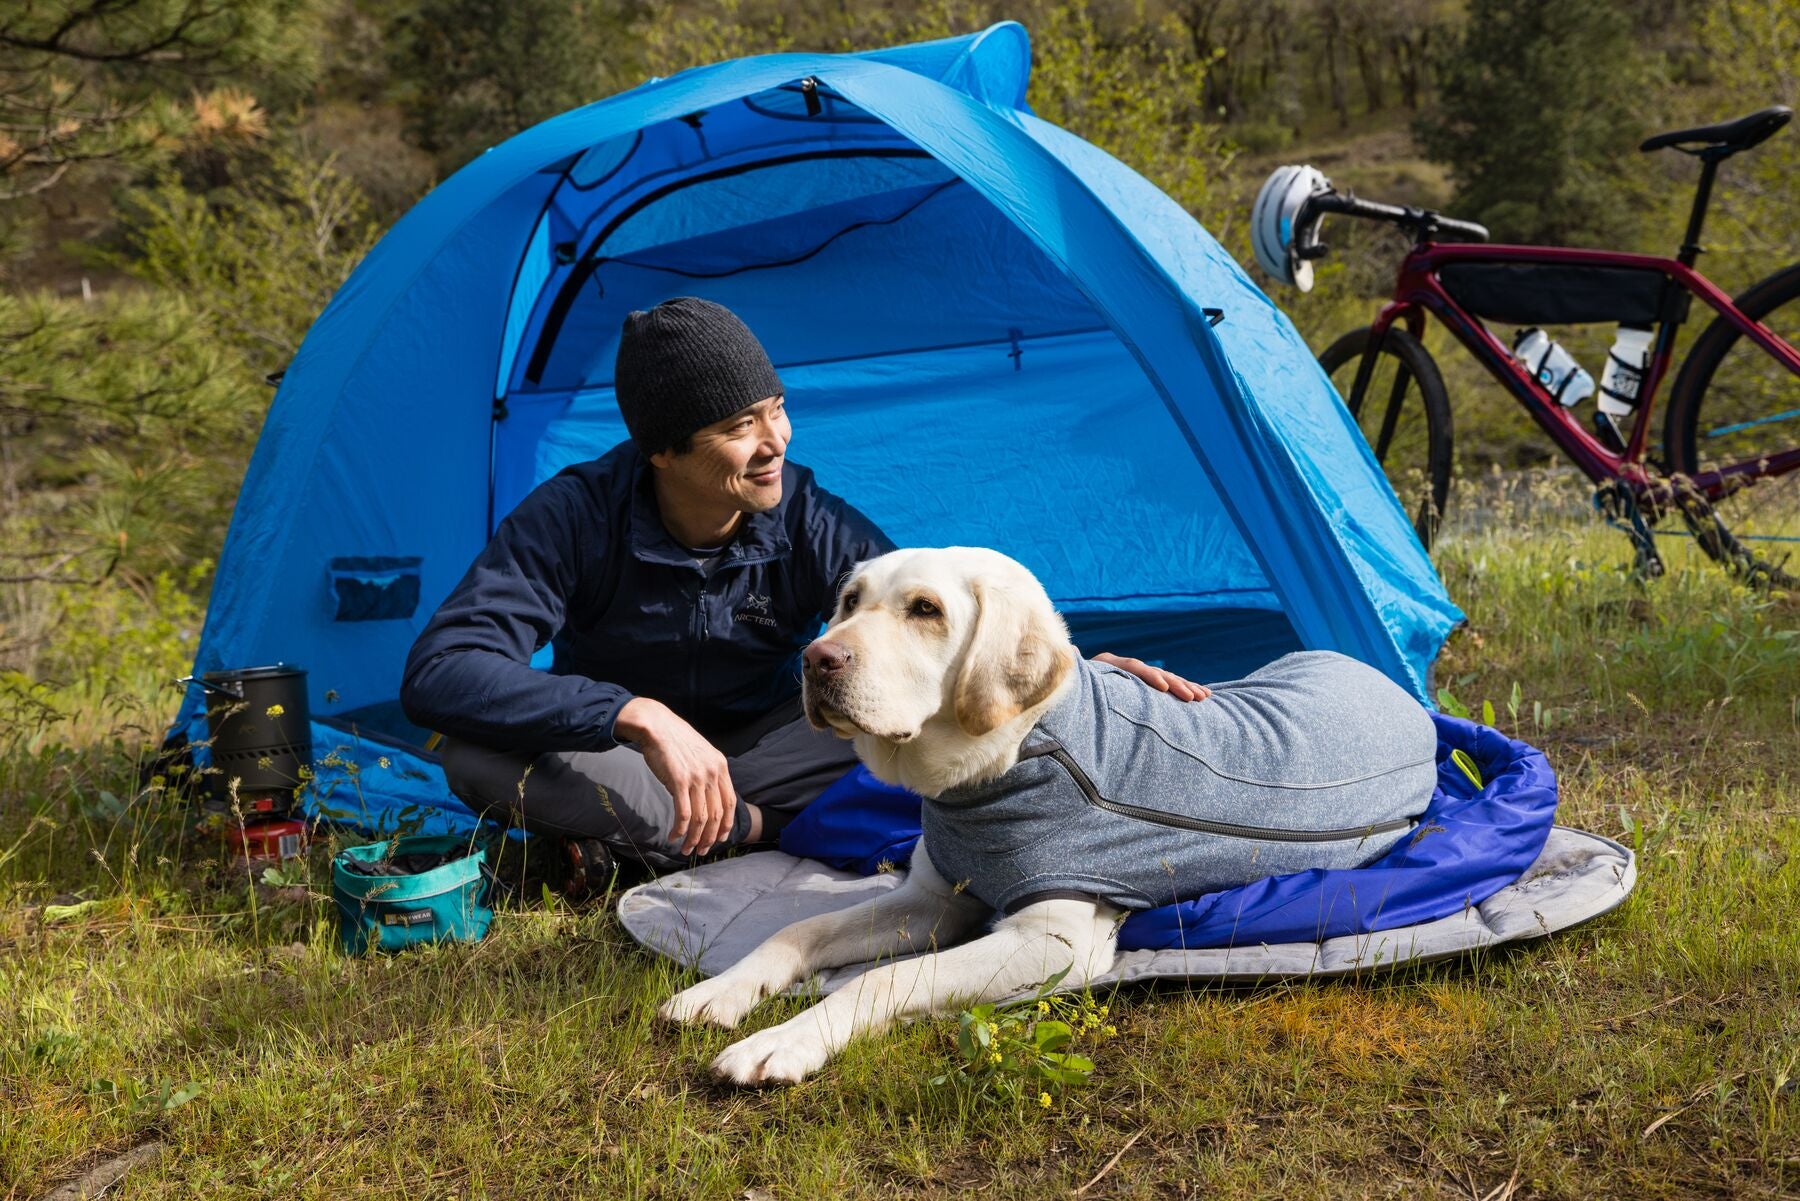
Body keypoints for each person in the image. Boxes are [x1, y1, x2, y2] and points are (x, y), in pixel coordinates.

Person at [400, 297, 1204, 888]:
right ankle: (747, 835)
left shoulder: (805, 514)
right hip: (634, 759)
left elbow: (936, 631)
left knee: (918, 729)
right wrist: (628, 714)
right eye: (739, 426)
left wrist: (1073, 677)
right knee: (473, 756)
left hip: (777, 752)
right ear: (663, 453)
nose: (775, 442)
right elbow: (441, 670)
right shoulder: (574, 516)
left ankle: (715, 834)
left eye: (777, 409)